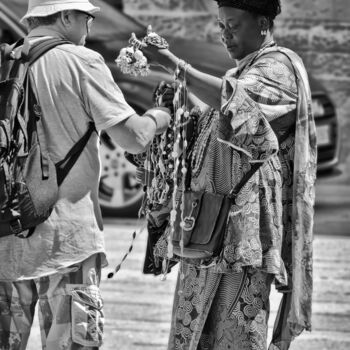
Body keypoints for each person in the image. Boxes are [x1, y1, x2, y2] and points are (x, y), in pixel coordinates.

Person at [141, 0, 317, 349]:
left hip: (243, 234)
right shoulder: (241, 71)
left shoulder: (279, 68)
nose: (224, 35)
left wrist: (174, 65)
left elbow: (237, 104)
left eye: (233, 26)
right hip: (207, 231)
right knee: (194, 336)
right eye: (221, 26)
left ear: (263, 24)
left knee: (236, 334)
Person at [0, 0, 171, 349]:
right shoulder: (82, 61)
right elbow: (134, 139)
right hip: (67, 242)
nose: (90, 25)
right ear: (65, 16)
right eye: (87, 17)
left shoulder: (5, 61)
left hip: (5, 237)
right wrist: (161, 114)